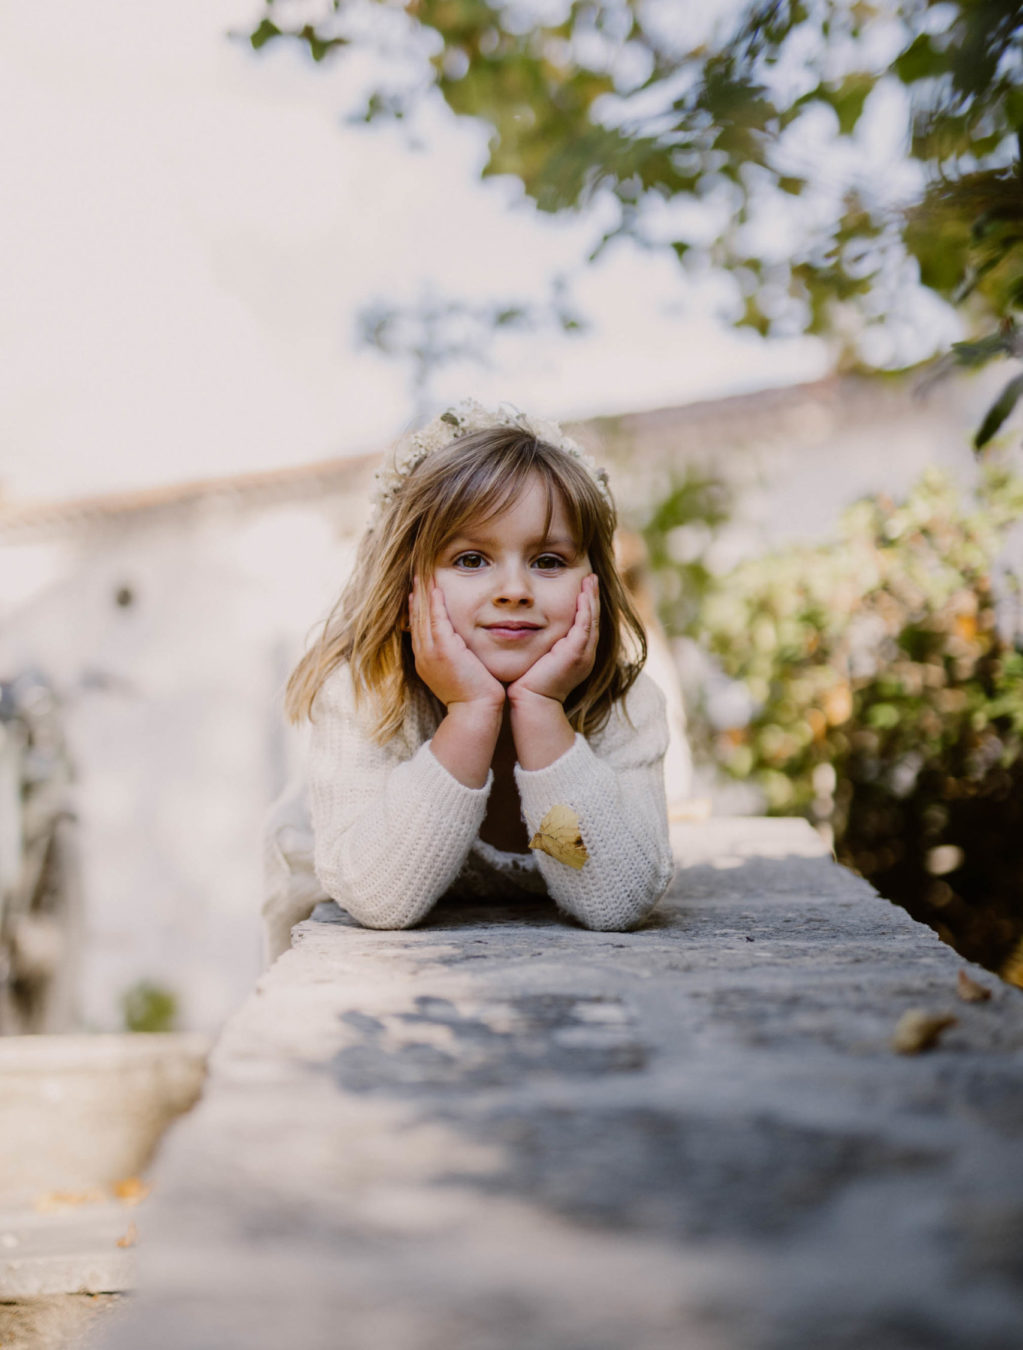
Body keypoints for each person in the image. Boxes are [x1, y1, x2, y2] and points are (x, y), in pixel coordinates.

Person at [265, 400, 674, 955]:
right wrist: (471, 714)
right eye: (471, 560)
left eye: (549, 561)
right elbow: (380, 898)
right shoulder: (366, 696)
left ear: (595, 580)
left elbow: (613, 900)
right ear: (406, 579)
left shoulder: (623, 707)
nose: (514, 589)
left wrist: (541, 714)